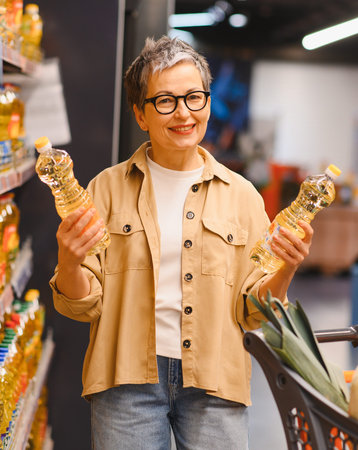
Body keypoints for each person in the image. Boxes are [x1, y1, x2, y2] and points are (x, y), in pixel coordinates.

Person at [50, 36, 313, 450]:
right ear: (140, 113)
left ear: (207, 101)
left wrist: (287, 268)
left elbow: (254, 311)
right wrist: (69, 261)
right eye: (166, 101)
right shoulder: (106, 189)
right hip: (126, 383)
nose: (184, 113)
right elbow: (81, 304)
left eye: (194, 97)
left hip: (215, 382)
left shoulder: (242, 196)